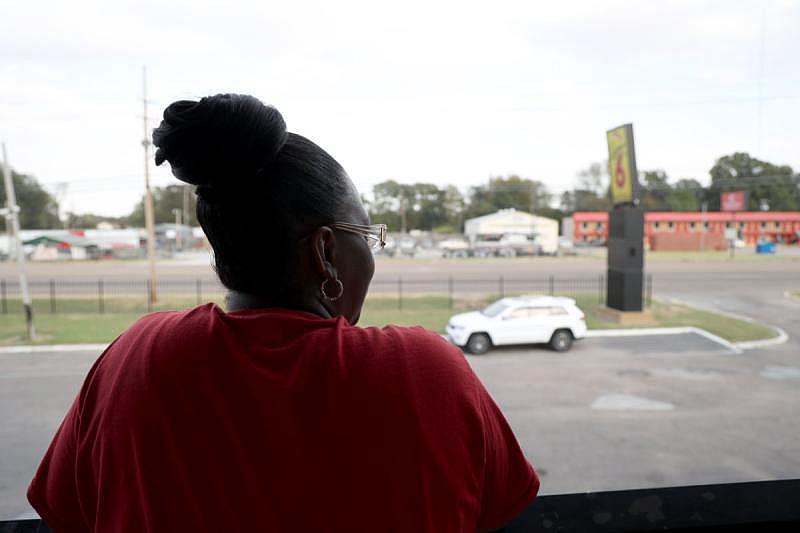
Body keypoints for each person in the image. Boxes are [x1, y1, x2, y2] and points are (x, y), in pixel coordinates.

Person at [27, 94, 539, 532]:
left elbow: (67, 512)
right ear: (325, 252)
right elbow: (498, 509)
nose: (373, 254)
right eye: (366, 237)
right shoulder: (425, 369)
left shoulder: (135, 358)